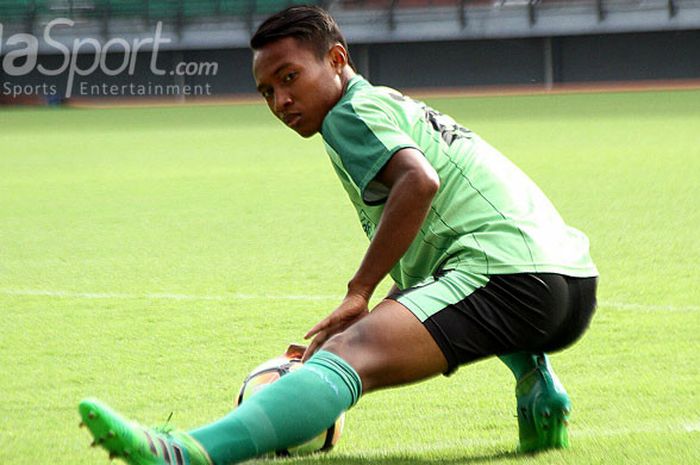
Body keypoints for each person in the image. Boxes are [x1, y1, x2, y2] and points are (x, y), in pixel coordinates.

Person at [79, 6, 598, 465]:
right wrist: (378, 306)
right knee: (402, 312)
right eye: (267, 92)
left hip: (512, 278)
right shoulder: (387, 103)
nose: (281, 101)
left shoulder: (348, 114)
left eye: (289, 78)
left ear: (335, 60)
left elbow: (420, 183)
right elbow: (432, 245)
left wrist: (359, 294)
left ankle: (188, 452)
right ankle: (537, 384)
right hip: (569, 282)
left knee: (349, 356)